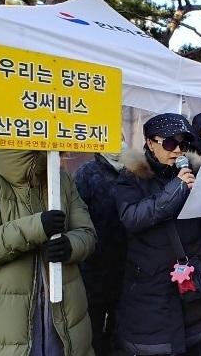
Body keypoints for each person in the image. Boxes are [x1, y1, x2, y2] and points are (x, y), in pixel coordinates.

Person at [115, 113, 201, 356]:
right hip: (151, 284)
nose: (177, 151)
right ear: (150, 142)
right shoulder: (131, 177)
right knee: (159, 347)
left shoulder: (196, 173)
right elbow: (132, 218)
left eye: (183, 144)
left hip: (191, 281)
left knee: (193, 344)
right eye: (170, 143)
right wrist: (176, 189)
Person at [0, 149, 97, 356]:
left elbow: (87, 233)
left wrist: (70, 245)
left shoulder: (61, 181)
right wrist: (37, 226)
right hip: (0, 323)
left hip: (64, 314)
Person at [74, 141, 128, 356]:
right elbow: (77, 217)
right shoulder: (86, 173)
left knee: (121, 320)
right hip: (94, 263)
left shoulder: (133, 171)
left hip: (127, 260)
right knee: (93, 321)